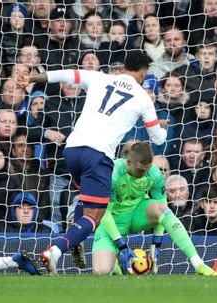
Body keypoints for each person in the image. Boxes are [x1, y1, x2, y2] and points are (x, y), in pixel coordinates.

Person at [16, 50, 167, 274]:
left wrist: (32, 78)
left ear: (124, 66)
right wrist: (161, 126)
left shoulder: (100, 77)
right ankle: (55, 250)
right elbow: (157, 139)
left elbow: (66, 74)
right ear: (144, 72)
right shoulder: (144, 98)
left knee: (86, 202)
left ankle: (75, 231)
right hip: (98, 156)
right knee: (95, 216)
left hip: (72, 150)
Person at [91, 142, 217, 276]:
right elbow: (104, 213)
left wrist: (156, 243)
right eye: (140, 170)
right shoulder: (112, 174)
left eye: (147, 169)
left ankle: (198, 264)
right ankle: (114, 264)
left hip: (136, 214)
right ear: (128, 162)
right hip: (111, 221)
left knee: (161, 209)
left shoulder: (154, 173)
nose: (144, 174)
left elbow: (162, 206)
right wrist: (121, 245)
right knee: (101, 271)